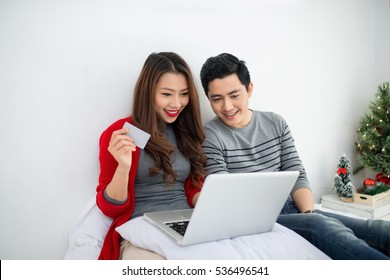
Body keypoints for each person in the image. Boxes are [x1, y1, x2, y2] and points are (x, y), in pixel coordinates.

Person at [200, 52, 390, 260]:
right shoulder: (211, 136)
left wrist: (308, 214)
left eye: (234, 95)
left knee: (376, 229)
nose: (227, 107)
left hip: (291, 207)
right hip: (255, 221)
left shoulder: (275, 123)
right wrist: (311, 222)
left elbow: (296, 173)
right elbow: (224, 197)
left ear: (249, 89)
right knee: (322, 226)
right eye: (217, 99)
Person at [96, 52, 206, 260]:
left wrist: (212, 204)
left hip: (186, 227)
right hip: (140, 233)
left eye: (183, 93)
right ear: (148, 92)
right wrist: (123, 167)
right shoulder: (120, 133)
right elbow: (109, 208)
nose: (177, 103)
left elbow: (193, 188)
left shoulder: (186, 132)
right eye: (166, 94)